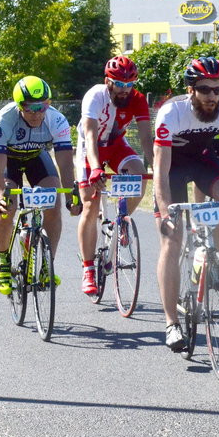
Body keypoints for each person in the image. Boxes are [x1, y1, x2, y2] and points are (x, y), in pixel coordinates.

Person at [153, 57, 219, 351]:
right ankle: (171, 323)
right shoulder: (171, 112)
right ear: (191, 89)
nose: (212, 96)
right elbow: (159, 168)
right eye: (205, 89)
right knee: (173, 239)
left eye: (218, 90)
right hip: (172, 167)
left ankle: (205, 259)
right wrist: (164, 208)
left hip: (203, 161)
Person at [0, 76, 80, 295]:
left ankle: (48, 264)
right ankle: (3, 261)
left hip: (36, 158)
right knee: (8, 208)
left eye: (44, 106)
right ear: (20, 105)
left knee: (54, 204)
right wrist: (1, 197)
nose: (39, 113)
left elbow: (65, 162)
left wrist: (71, 196)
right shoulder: (2, 122)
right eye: (31, 108)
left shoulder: (56, 120)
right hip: (9, 161)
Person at [76, 56, 153, 296]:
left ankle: (121, 221)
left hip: (116, 145)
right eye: (119, 84)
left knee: (139, 175)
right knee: (90, 203)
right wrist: (96, 168)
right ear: (107, 81)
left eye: (130, 84)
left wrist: (157, 165)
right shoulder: (95, 96)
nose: (125, 90)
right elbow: (89, 135)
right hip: (91, 147)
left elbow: (145, 140)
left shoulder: (137, 99)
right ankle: (88, 268)